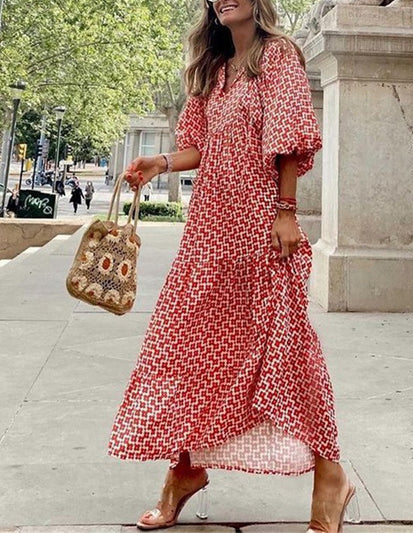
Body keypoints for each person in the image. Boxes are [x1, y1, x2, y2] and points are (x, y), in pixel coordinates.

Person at [107, 0, 357, 531]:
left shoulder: (279, 56)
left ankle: (330, 475)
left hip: (260, 230)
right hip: (208, 230)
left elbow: (289, 142)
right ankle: (183, 470)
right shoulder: (213, 69)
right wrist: (161, 161)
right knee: (185, 348)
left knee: (283, 352)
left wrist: (287, 213)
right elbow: (200, 147)